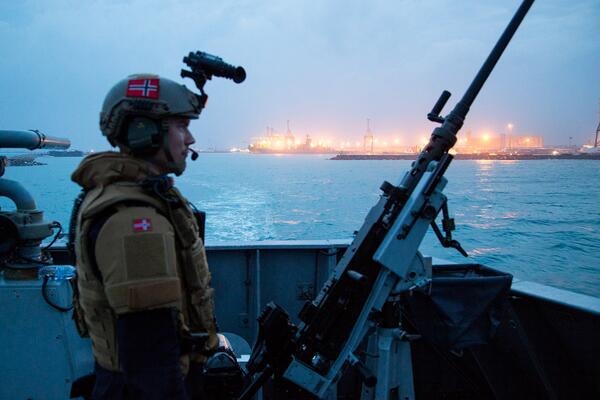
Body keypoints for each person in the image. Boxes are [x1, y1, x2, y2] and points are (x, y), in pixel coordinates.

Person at [70, 74, 218, 399]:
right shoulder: (134, 221)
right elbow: (150, 362)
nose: (190, 139)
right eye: (181, 126)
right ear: (144, 132)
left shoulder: (137, 198)